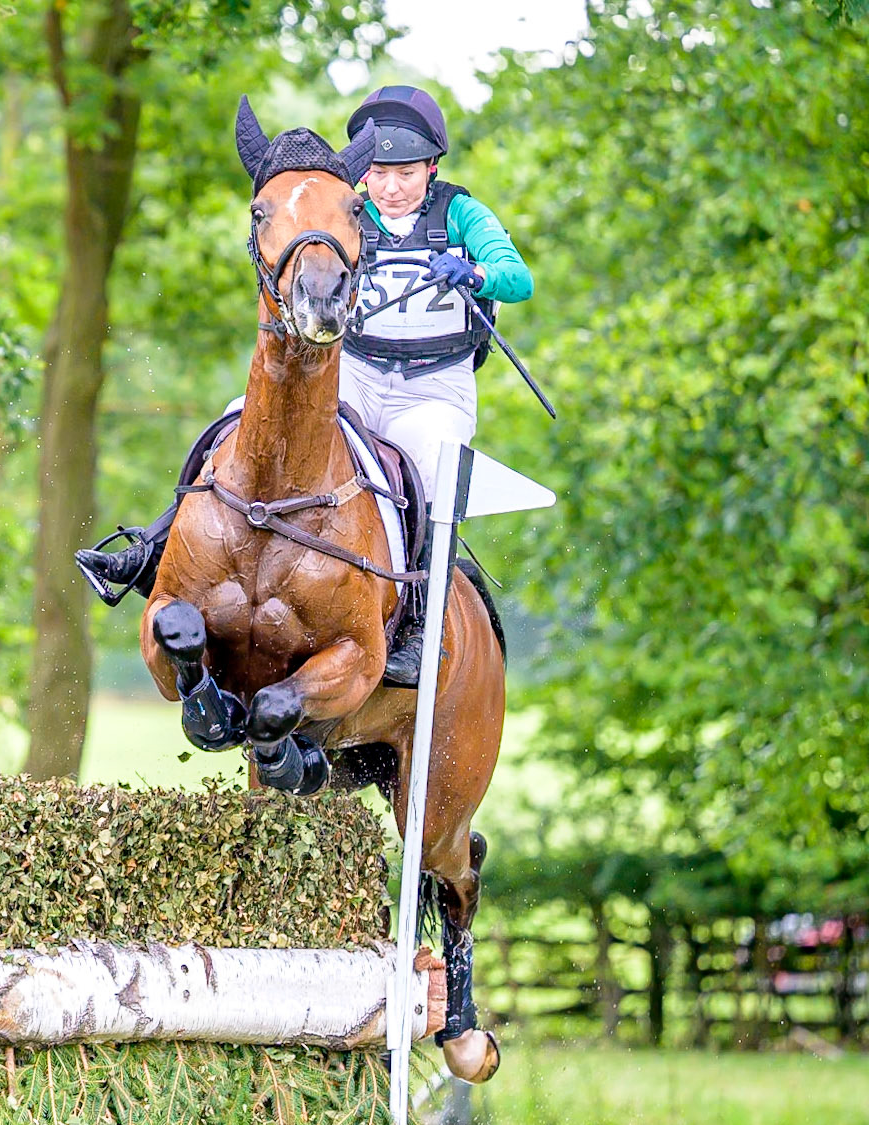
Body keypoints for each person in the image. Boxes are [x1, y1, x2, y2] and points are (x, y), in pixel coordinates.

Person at [76, 85, 533, 687]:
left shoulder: (460, 214)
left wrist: (474, 271)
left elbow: (518, 278)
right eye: (379, 174)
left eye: (405, 174)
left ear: (432, 168)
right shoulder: (348, 210)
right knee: (240, 418)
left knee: (431, 469)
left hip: (433, 388)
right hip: (359, 374)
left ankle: (419, 624)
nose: (390, 188)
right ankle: (155, 548)